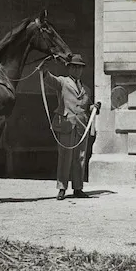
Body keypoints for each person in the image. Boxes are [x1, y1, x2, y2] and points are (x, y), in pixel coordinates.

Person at [40, 54, 101, 200]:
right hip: (67, 124)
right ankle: (62, 188)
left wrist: (94, 107)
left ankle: (78, 188)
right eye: (74, 67)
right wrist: (44, 68)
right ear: (69, 68)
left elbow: (87, 106)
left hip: (81, 126)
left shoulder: (86, 89)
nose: (77, 70)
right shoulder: (62, 82)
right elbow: (48, 79)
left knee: (80, 158)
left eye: (79, 67)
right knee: (65, 158)